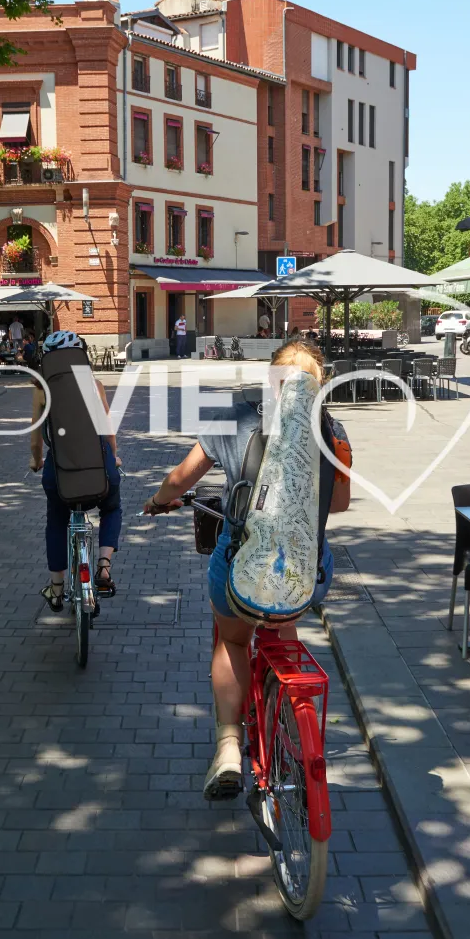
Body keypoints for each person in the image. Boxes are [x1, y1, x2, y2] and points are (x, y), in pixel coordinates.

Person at [143, 340, 351, 800]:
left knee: (234, 638)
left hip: (241, 566)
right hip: (305, 571)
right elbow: (339, 503)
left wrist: (160, 501)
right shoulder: (330, 428)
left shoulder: (234, 416)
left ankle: (228, 747)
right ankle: (290, 723)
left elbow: (182, 478)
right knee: (282, 624)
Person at [29, 332, 122, 612]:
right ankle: (104, 566)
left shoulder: (41, 390)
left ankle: (56, 588)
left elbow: (35, 440)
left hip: (59, 469)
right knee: (111, 508)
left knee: (56, 521)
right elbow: (108, 433)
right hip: (98, 466)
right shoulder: (94, 385)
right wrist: (114, 458)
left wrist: (36, 462)